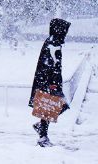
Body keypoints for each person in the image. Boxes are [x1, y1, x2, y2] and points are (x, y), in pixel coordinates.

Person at [29, 18, 71, 147]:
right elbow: (50, 65)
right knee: (51, 107)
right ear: (60, 30)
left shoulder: (52, 41)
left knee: (50, 107)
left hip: (48, 81)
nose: (66, 33)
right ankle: (43, 136)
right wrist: (51, 83)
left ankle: (41, 129)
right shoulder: (53, 43)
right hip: (49, 82)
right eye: (65, 30)